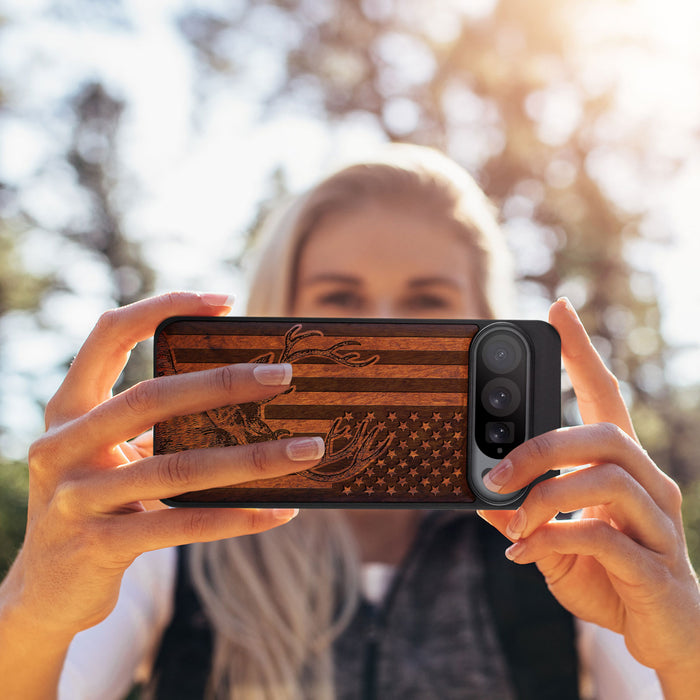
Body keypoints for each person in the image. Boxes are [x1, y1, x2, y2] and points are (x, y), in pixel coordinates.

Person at [0, 145, 698, 700]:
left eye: (427, 301)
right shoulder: (170, 535)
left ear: (486, 322)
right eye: (340, 298)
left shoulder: (567, 543)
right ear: (279, 313)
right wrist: (34, 607)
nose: (384, 328)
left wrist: (685, 648)